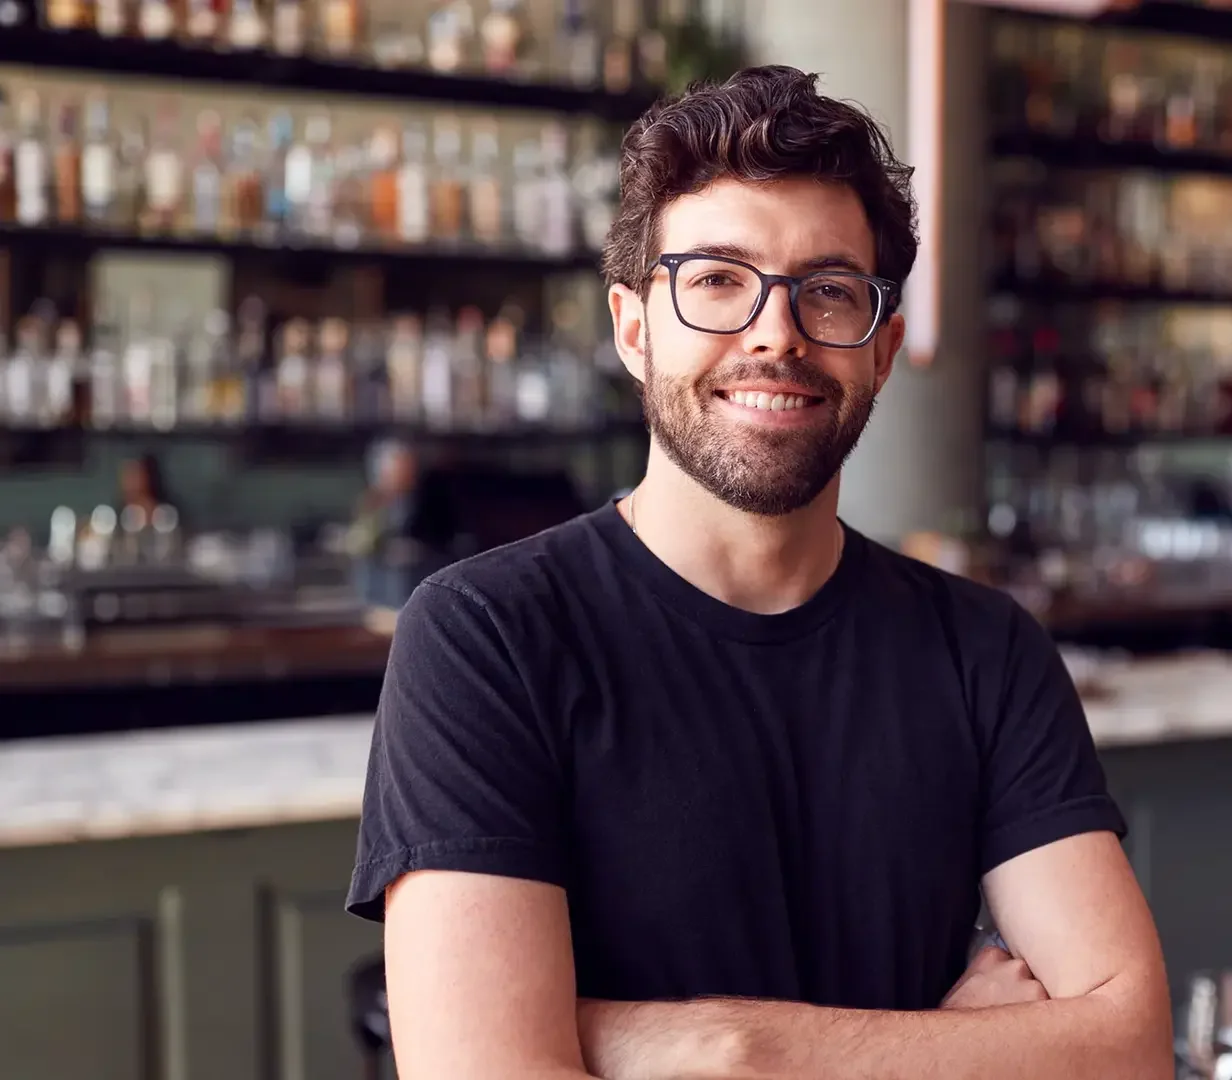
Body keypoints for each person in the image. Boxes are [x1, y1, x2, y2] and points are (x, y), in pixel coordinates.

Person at [346, 65, 1175, 1080]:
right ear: (633, 327)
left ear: (881, 349)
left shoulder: (984, 649)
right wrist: (963, 1052)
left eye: (828, 291)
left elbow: (1126, 1047)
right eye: (717, 281)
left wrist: (723, 1050)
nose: (775, 332)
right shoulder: (487, 636)